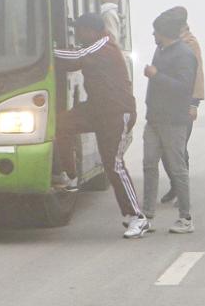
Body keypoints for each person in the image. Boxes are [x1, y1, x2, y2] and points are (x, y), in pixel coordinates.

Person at [52, 13, 147, 238]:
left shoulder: (103, 46)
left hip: (117, 113)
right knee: (62, 123)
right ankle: (70, 174)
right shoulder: (95, 45)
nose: (79, 35)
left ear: (91, 30)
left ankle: (137, 217)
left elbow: (75, 58)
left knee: (114, 165)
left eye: (80, 31)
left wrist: (45, 52)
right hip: (96, 109)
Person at [142, 12, 198, 234]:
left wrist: (156, 76)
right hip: (154, 118)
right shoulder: (160, 50)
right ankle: (147, 215)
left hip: (173, 121)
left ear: (164, 33)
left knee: (177, 169)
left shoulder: (185, 54)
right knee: (148, 164)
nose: (153, 34)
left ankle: (185, 217)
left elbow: (184, 87)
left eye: (155, 31)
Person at [158, 5, 204, 206]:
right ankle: (175, 185)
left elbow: (197, 75)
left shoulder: (190, 44)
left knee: (178, 148)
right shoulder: (167, 42)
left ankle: (181, 189)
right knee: (164, 148)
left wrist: (194, 103)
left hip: (184, 104)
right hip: (165, 104)